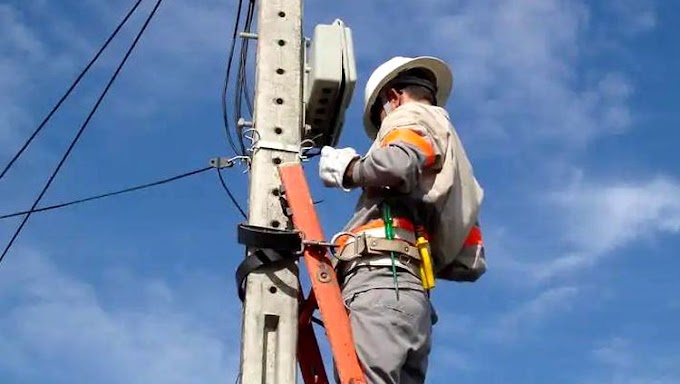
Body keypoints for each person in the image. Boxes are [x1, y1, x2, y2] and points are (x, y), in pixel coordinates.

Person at [319, 56, 485, 384]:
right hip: (412, 302)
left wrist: (349, 170)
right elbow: (468, 263)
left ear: (393, 97)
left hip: (381, 281)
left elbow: (395, 164)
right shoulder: (456, 162)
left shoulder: (411, 114)